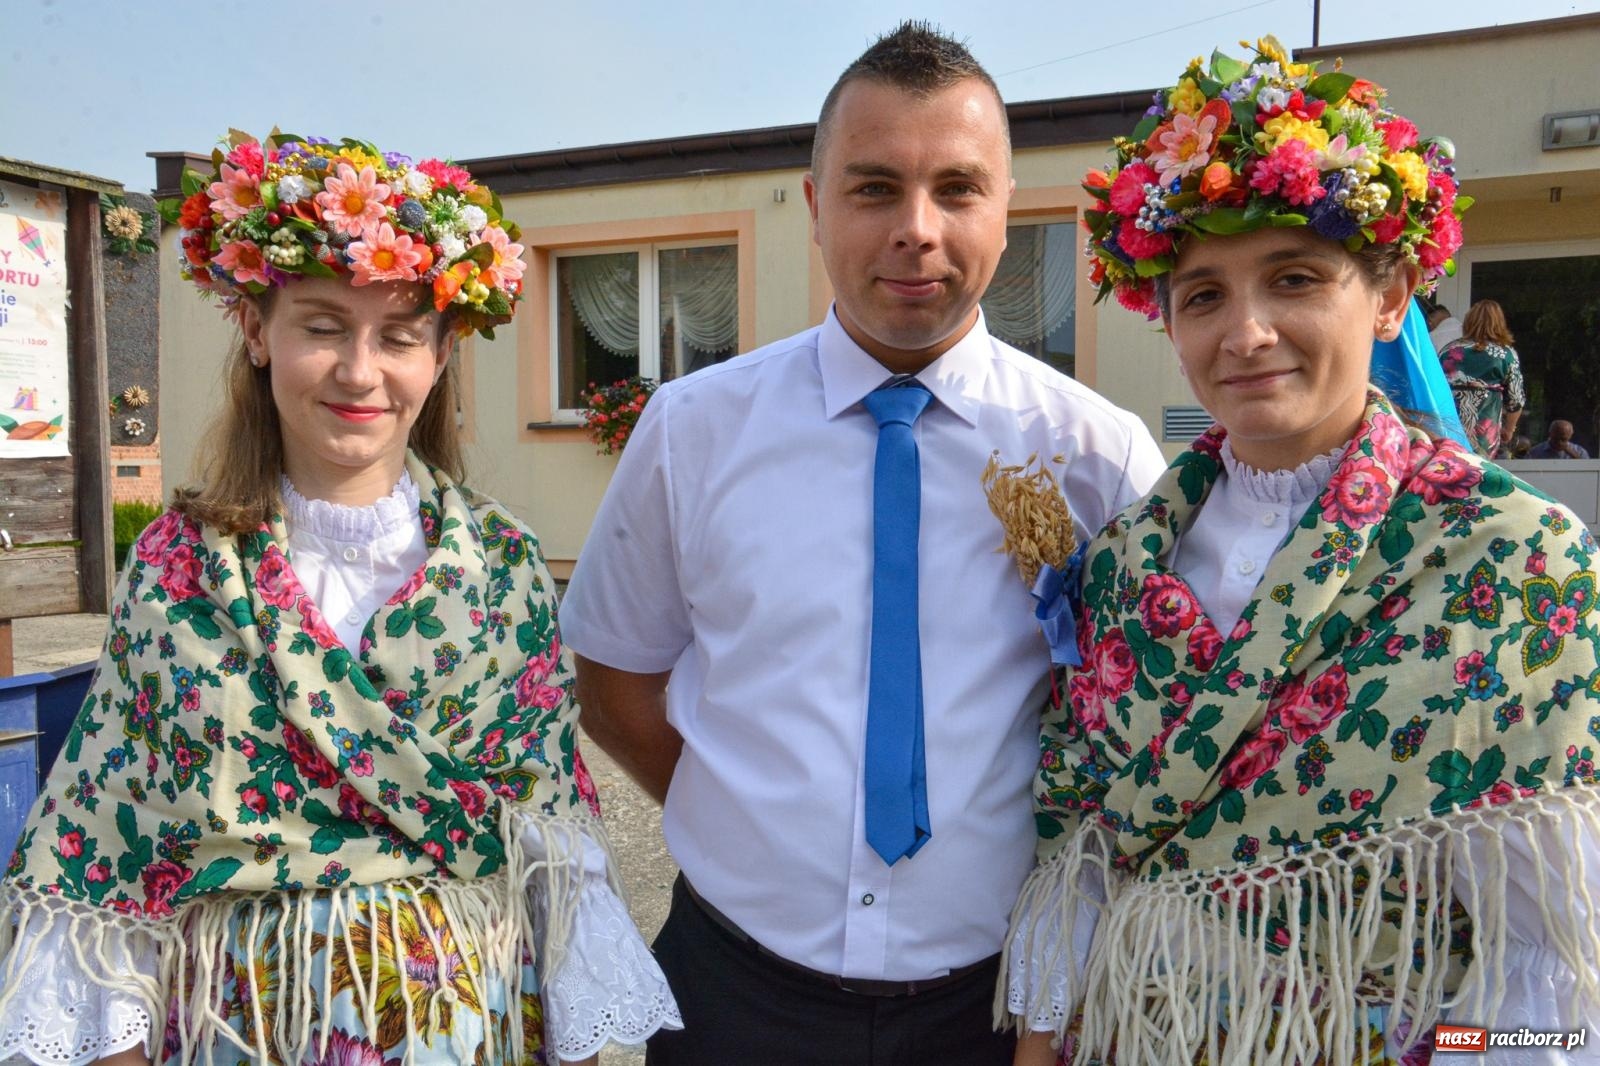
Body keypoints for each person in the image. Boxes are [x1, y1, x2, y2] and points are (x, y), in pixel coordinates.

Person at [558, 21, 1164, 1066]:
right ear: (813, 205)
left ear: (1007, 206)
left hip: (994, 1009)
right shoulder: (693, 430)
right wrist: (754, 816)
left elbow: (1140, 734)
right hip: (733, 994)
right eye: (874, 187)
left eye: (957, 189)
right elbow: (615, 684)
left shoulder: (1092, 455)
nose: (916, 230)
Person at [0, 133, 679, 1065]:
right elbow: (107, 839)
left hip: (467, 1032)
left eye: (398, 337)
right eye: (321, 326)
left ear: (441, 355)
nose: (360, 372)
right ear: (254, 331)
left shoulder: (502, 570)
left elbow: (551, 850)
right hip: (237, 1032)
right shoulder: (176, 569)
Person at [1003, 38, 1600, 1066]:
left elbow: (1545, 963)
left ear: (1387, 297)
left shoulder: (1511, 560)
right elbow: (1077, 863)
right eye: (1202, 295)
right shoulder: (1119, 565)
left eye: (1292, 278)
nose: (1244, 332)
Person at [1440, 298, 1525, 458]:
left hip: (1449, 428)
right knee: (1479, 475)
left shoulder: (1448, 351)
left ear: (1469, 322)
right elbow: (1515, 400)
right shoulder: (1505, 355)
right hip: (1484, 433)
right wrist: (1509, 429)